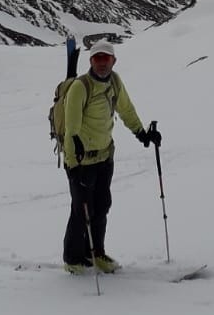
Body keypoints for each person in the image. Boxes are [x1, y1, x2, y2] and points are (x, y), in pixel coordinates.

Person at [62, 39, 151, 274]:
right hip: (81, 161)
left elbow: (126, 109)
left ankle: (96, 253)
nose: (102, 63)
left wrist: (141, 133)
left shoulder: (115, 81)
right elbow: (71, 129)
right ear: (90, 61)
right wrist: (72, 165)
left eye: (106, 58)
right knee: (81, 210)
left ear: (113, 61)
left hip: (105, 157)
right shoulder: (80, 87)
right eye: (97, 59)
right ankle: (73, 258)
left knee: (101, 207)